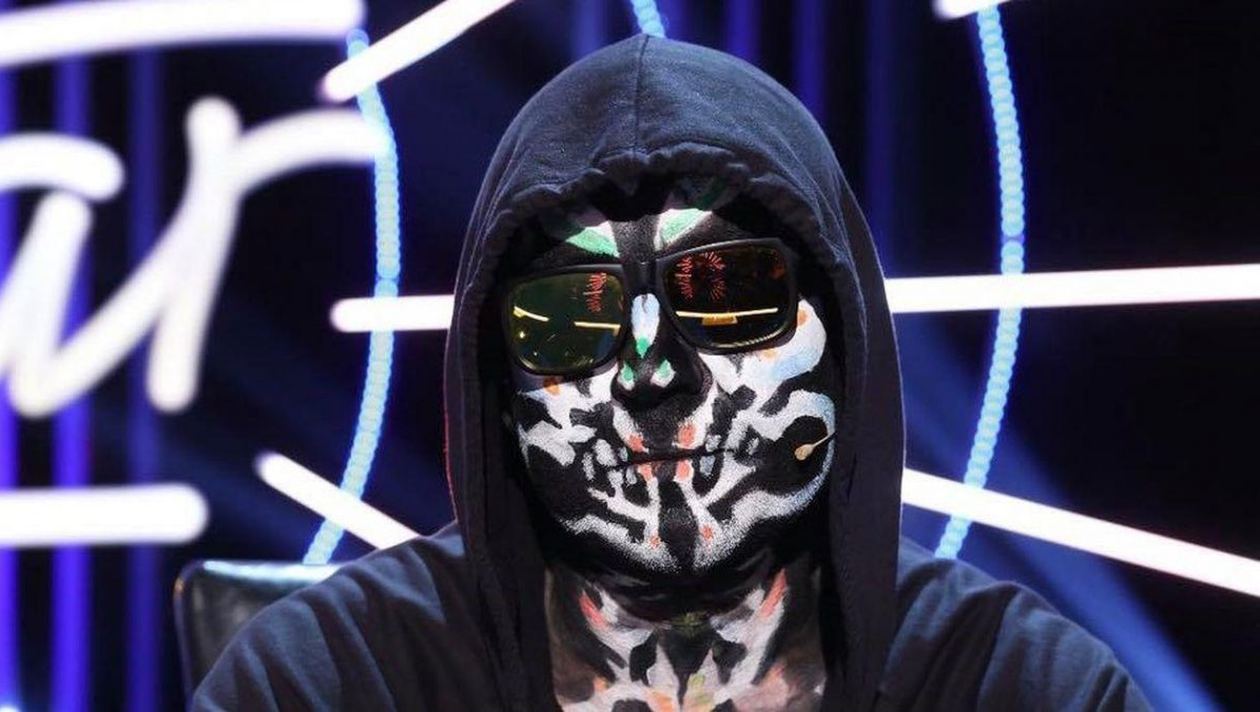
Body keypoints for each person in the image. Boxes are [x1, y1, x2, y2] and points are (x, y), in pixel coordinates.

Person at [193, 35, 1151, 711]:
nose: (652, 373)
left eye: (726, 291)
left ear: (844, 332)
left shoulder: (1015, 686)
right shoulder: (333, 680)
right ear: (500, 380)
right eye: (572, 315)